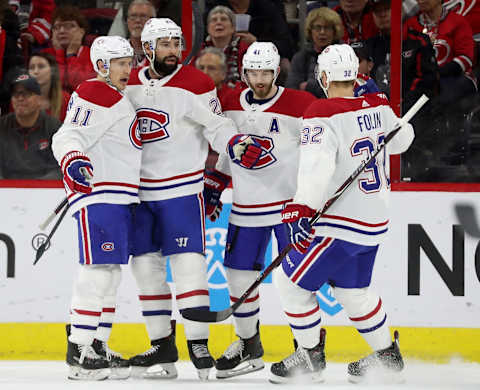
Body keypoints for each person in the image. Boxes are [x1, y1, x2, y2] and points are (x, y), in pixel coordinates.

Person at [124, 18, 262, 380]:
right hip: (139, 194)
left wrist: (234, 143)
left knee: (189, 268)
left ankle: (198, 343)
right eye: (165, 44)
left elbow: (217, 127)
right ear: (148, 48)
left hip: (182, 193)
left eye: (176, 44)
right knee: (145, 269)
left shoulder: (197, 83)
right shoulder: (128, 84)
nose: (173, 51)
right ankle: (162, 347)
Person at [269, 44, 413, 383]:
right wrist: (384, 108)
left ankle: (310, 358)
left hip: (341, 224)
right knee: (353, 292)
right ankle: (387, 358)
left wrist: (302, 207)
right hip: (374, 220)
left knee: (288, 282)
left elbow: (316, 167)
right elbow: (403, 139)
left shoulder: (321, 111)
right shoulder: (377, 103)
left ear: (322, 76)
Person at [203, 41, 316, 379]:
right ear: (244, 72)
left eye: (267, 71)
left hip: (287, 209)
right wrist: (214, 187)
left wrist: (312, 196)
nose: (260, 78)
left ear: (277, 71)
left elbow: (319, 152)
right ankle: (248, 344)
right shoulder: (230, 106)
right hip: (246, 207)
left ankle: (308, 349)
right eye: (254, 71)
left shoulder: (301, 104)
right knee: (238, 278)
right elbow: (226, 152)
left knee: (295, 282)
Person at [51, 36, 141, 380]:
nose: (127, 69)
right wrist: (73, 159)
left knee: (110, 273)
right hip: (100, 195)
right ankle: (79, 349)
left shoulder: (116, 97)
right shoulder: (94, 92)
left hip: (118, 197)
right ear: (102, 66)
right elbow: (68, 134)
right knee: (97, 271)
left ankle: (97, 344)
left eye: (128, 62)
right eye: (119, 63)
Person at [0, 73, 61, 179]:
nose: (20, 98)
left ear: (39, 99)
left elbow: (59, 168)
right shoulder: (2, 126)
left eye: (26, 94)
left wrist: (33, 188)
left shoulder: (54, 127)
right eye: (15, 94)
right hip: (6, 190)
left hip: (46, 191)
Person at [195, 47, 244, 170]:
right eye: (201, 68)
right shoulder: (187, 97)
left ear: (223, 74)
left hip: (222, 165)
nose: (205, 72)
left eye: (211, 68)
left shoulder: (235, 99)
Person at [286, 7, 344, 98]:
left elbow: (341, 89)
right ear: (310, 30)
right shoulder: (301, 57)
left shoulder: (343, 55)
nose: (322, 32)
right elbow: (292, 90)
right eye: (317, 27)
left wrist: (309, 86)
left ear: (334, 31)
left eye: (327, 28)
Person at [42, 5, 96, 94]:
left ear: (82, 32)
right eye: (57, 27)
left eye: (69, 26)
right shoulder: (43, 56)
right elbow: (54, 88)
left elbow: (80, 87)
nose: (62, 31)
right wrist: (59, 53)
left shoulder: (94, 55)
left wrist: (71, 55)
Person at [194, 6, 251, 88]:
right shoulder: (198, 52)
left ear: (233, 27)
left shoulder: (246, 51)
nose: (218, 22)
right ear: (208, 29)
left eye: (223, 19)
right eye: (214, 20)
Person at [28, 53, 70, 121]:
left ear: (52, 71)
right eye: (31, 67)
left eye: (41, 66)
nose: (35, 71)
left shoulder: (66, 99)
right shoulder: (20, 99)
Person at [126, 0, 156, 69]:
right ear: (127, 21)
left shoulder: (161, 54)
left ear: (153, 22)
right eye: (133, 16)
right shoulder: (116, 52)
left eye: (143, 16)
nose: (137, 20)